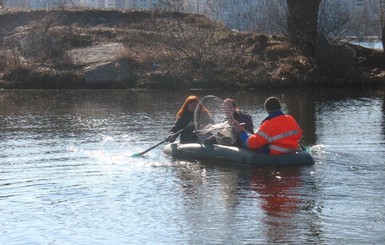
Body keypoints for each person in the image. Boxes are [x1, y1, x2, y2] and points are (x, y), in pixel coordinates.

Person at [234, 97, 302, 155]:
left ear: (267, 110)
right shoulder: (290, 119)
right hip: (292, 151)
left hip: (277, 155)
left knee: (250, 144)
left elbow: (251, 144)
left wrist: (241, 132)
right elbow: (299, 134)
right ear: (280, 107)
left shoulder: (267, 125)